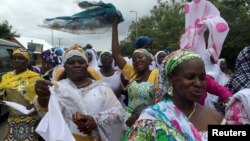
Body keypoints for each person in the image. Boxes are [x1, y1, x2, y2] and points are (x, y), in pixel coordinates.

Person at [122, 49, 224, 141]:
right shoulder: (152, 118)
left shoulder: (216, 118)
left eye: (202, 78)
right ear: (171, 78)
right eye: (190, 77)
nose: (198, 83)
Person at [34, 45, 124, 141]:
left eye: (81, 62)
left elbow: (118, 113)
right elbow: (44, 111)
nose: (76, 65)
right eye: (71, 62)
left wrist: (96, 121)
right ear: (64, 66)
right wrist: (43, 96)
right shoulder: (56, 88)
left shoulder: (102, 89)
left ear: (87, 65)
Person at [112, 18, 159, 128]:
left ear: (149, 59)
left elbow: (159, 97)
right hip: (129, 120)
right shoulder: (132, 73)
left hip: (149, 120)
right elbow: (116, 54)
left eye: (140, 57)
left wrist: (140, 113)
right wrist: (114, 26)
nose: (137, 61)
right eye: (134, 59)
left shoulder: (157, 73)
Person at [0, 48, 43, 141]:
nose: (17, 60)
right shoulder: (7, 77)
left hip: (30, 118)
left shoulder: (35, 78)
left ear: (27, 61)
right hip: (12, 117)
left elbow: (43, 99)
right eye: (14, 58)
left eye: (20, 58)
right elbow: (3, 93)